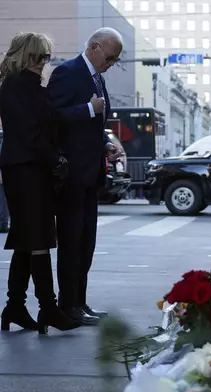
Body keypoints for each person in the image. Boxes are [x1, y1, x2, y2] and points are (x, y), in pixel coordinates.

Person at [0, 32, 82, 334]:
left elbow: (45, 125)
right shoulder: (16, 86)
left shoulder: (30, 86)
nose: (45, 63)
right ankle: (48, 307)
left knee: (27, 239)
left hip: (31, 168)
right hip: (25, 169)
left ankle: (15, 307)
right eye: (41, 57)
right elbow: (29, 133)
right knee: (38, 240)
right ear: (27, 55)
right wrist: (55, 160)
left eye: (47, 57)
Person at [47, 27, 122, 326]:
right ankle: (67, 305)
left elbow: (91, 125)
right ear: (94, 47)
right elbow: (53, 116)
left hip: (92, 173)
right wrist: (88, 109)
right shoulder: (67, 72)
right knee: (71, 241)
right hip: (72, 175)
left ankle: (80, 301)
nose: (111, 64)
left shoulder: (97, 78)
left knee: (86, 242)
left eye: (115, 60)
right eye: (110, 57)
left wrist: (106, 144)